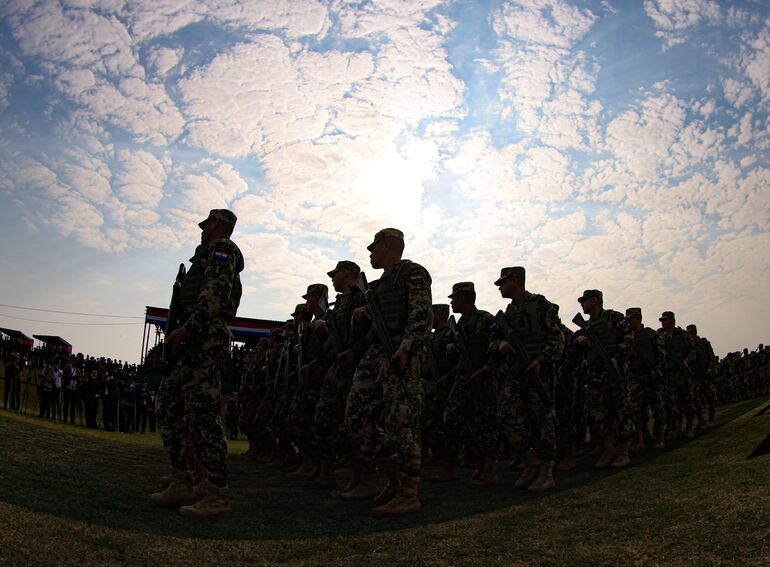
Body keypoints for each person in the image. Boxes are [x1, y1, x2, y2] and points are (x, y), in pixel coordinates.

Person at [153, 208, 244, 520]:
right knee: (169, 403)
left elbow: (214, 298)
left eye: (206, 225)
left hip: (204, 338)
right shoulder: (207, 254)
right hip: (194, 338)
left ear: (216, 224)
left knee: (203, 416)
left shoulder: (222, 250)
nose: (202, 230)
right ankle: (184, 478)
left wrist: (186, 329)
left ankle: (217, 492)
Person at [344, 228, 432, 517]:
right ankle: (392, 477)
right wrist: (363, 313)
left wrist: (408, 348)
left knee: (401, 423)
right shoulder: (379, 285)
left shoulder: (411, 272)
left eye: (373, 248)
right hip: (375, 354)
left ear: (387, 245)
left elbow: (421, 312)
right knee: (355, 416)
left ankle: (408, 492)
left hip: (398, 352)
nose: (370, 253)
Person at [482, 267, 564, 491]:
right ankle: (530, 462)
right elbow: (491, 342)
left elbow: (557, 337)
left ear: (515, 281)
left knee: (541, 421)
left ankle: (546, 470)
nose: (499, 287)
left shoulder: (540, 305)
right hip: (515, 374)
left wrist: (543, 360)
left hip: (539, 372)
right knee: (506, 416)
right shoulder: (506, 315)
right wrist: (500, 344)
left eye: (503, 283)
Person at [574, 290, 634, 469]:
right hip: (594, 377)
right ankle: (609, 449)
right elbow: (573, 346)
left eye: (584, 301)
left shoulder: (614, 318)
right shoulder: (585, 326)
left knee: (620, 412)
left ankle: (623, 452)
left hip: (615, 373)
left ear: (594, 301)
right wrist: (580, 340)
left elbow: (629, 337)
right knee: (598, 414)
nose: (582, 304)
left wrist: (617, 355)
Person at [625, 308, 666, 451]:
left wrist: (658, 370)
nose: (628, 322)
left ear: (638, 318)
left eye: (630, 319)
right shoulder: (627, 337)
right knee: (636, 410)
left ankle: (659, 437)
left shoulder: (650, 334)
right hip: (635, 377)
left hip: (651, 375)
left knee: (657, 407)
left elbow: (661, 353)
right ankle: (641, 440)